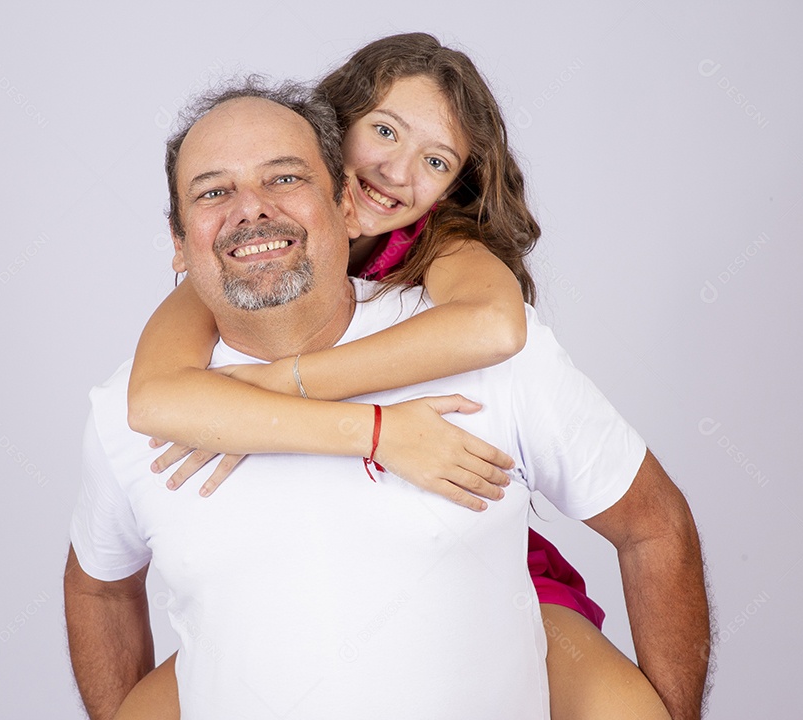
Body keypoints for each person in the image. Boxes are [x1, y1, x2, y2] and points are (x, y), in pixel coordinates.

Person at [63, 79, 710, 719]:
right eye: (214, 191)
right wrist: (377, 433)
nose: (251, 208)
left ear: (343, 200)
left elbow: (654, 523)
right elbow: (99, 587)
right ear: (178, 241)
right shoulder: (138, 402)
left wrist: (284, 391)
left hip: (530, 602)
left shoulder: (478, 330)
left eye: (284, 178)